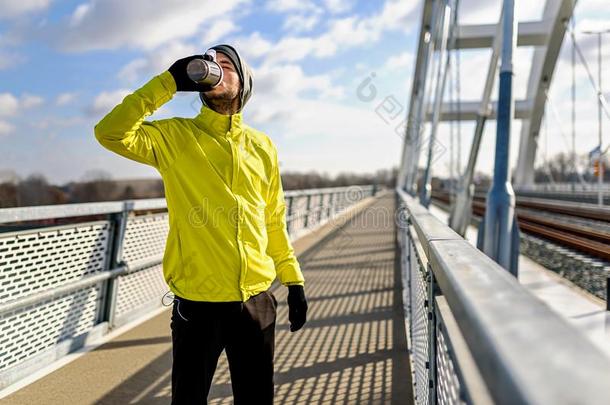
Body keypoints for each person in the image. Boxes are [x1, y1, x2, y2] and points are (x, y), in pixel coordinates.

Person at [94, 43, 308, 404]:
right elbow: (110, 132)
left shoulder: (263, 146)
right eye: (210, 64)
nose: (216, 69)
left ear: (245, 82)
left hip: (256, 301)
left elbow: (273, 218)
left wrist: (293, 279)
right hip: (197, 304)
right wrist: (167, 82)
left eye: (226, 64)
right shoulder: (175, 137)